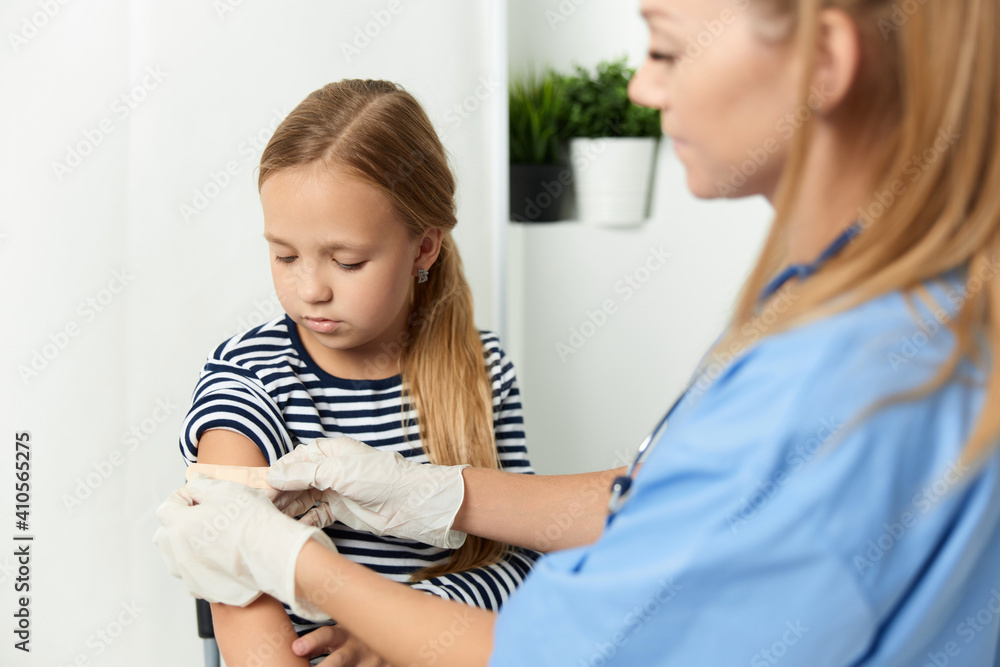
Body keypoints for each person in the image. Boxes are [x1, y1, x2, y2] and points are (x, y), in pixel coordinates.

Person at [155, 0, 1000, 665]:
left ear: (823, 64)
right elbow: (654, 501)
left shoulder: (826, 384)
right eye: (285, 254)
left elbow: (545, 648)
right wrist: (443, 493)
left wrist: (302, 565)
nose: (639, 86)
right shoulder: (904, 316)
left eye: (664, 47)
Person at [175, 79, 539, 666]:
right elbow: (235, 582)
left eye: (347, 261)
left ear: (424, 248)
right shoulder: (250, 378)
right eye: (285, 255)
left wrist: (406, 623)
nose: (310, 288)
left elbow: (519, 560)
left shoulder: (482, 367)